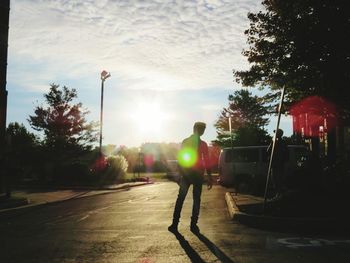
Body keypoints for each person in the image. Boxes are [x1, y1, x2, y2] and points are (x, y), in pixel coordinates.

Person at [168, 122, 213, 233]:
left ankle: (175, 224)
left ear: (193, 129)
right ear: (200, 130)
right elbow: (206, 161)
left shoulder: (186, 141)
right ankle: (193, 225)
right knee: (195, 199)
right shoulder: (202, 144)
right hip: (197, 175)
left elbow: (181, 158)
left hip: (188, 174)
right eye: (202, 130)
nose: (202, 132)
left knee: (181, 199)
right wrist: (209, 176)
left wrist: (179, 174)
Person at [267, 129, 289, 199]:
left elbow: (268, 151)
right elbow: (268, 151)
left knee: (277, 179)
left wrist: (272, 142)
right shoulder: (277, 142)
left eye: (276, 133)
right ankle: (278, 194)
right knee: (276, 180)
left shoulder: (279, 143)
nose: (275, 134)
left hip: (278, 164)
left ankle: (279, 194)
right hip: (276, 164)